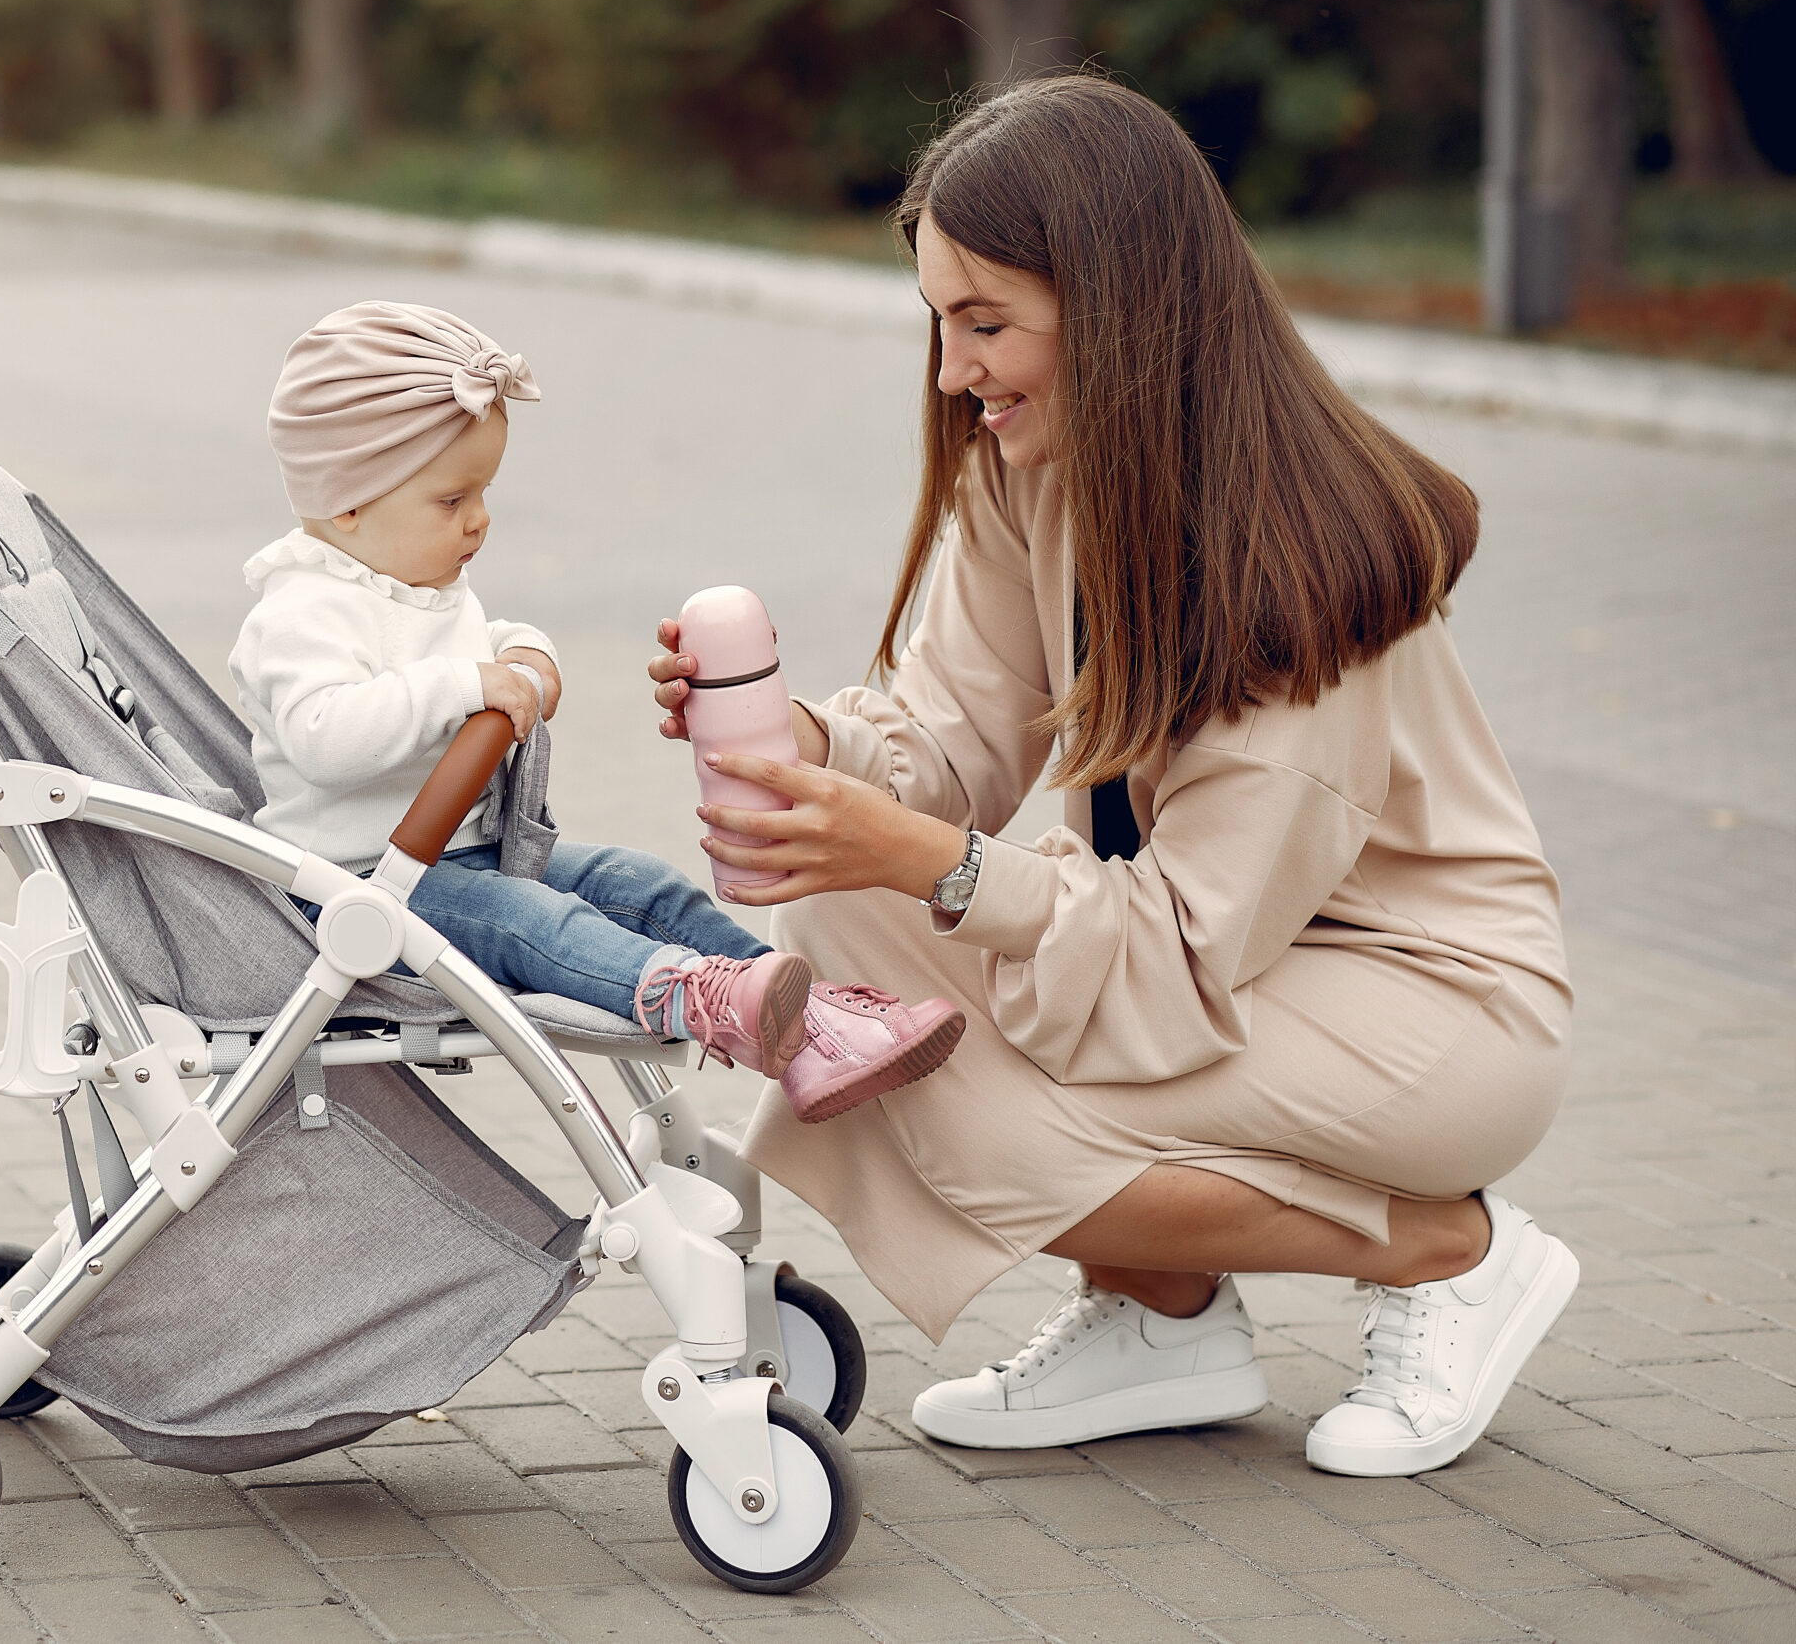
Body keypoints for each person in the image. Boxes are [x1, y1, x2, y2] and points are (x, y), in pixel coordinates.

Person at [646, 77, 1577, 1479]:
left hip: (1428, 1005)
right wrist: (809, 752)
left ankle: (1454, 1249)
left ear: (1120, 306)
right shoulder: (1036, 469)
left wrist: (926, 861)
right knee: (843, 944)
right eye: (941, 321)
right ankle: (1167, 1317)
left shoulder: (1297, 566)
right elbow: (953, 745)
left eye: (987, 321)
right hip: (1225, 960)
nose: (956, 370)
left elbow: (1179, 950)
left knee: (964, 1103)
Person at [236, 300, 964, 1116]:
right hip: (361, 890)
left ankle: (817, 1027)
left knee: (638, 882)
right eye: (452, 500)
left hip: (460, 857)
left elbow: (481, 638)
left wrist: (525, 653)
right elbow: (323, 735)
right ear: (349, 503)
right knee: (532, 922)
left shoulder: (411, 575)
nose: (479, 519)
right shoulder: (300, 612)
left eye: (484, 492)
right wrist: (468, 688)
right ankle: (693, 996)